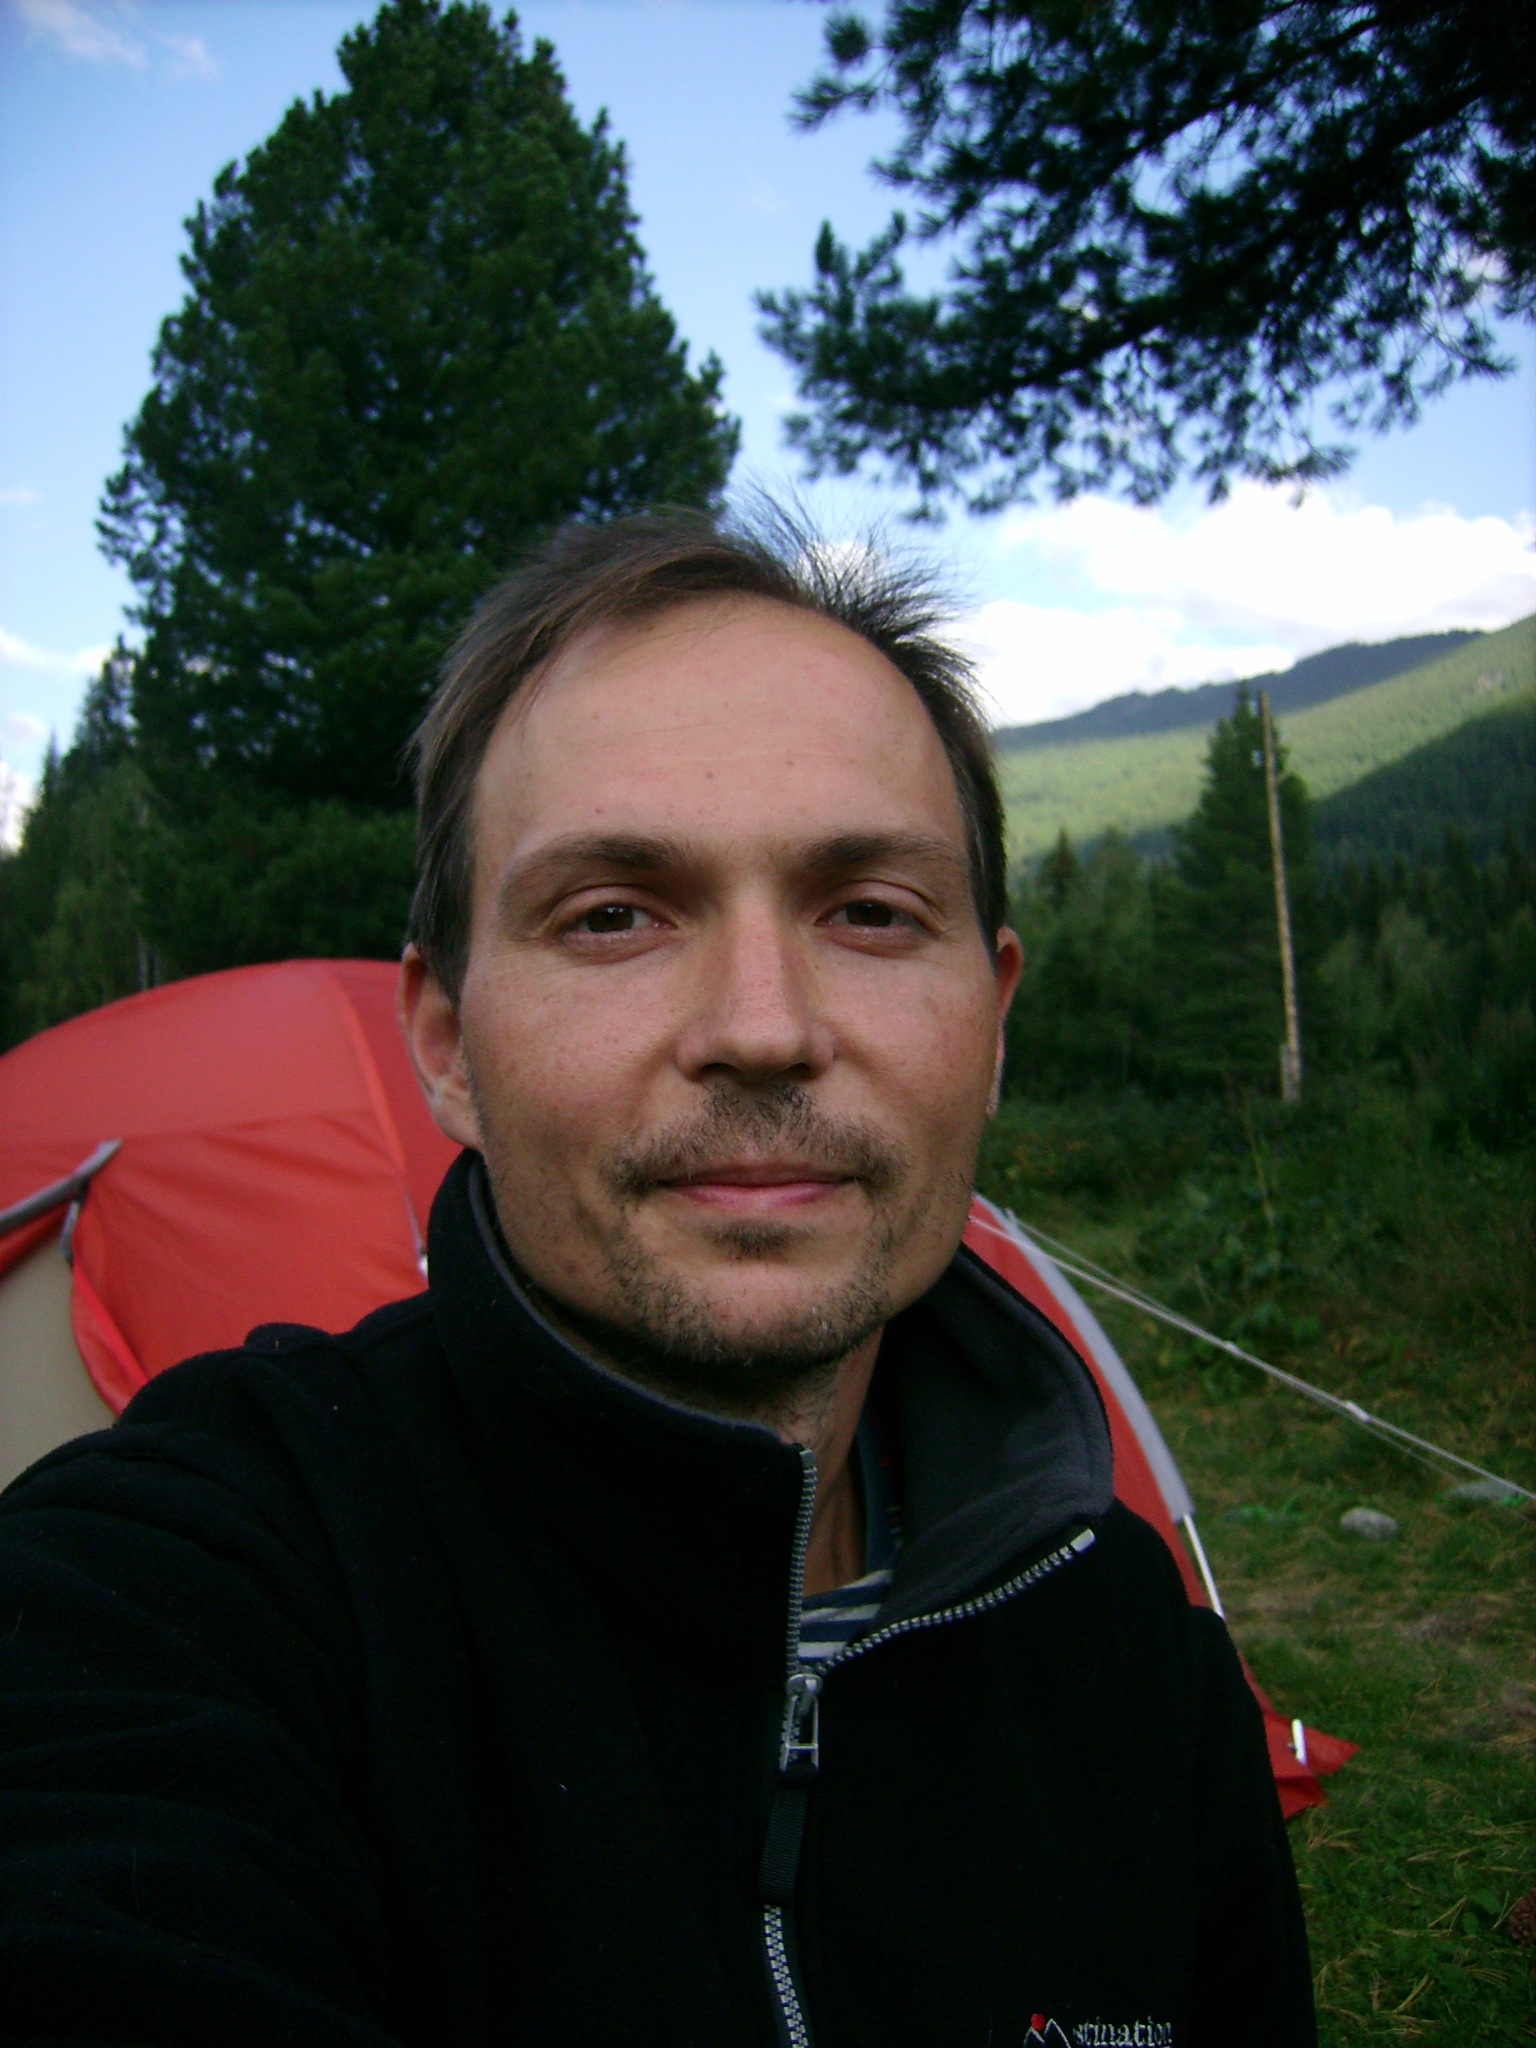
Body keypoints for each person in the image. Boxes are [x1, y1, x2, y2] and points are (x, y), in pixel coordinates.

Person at [0, 507, 1314, 2046]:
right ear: (449, 1044)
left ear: (994, 1018)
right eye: (613, 916)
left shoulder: (1132, 1656)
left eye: (872, 914)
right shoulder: (169, 1594)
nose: (762, 1026)